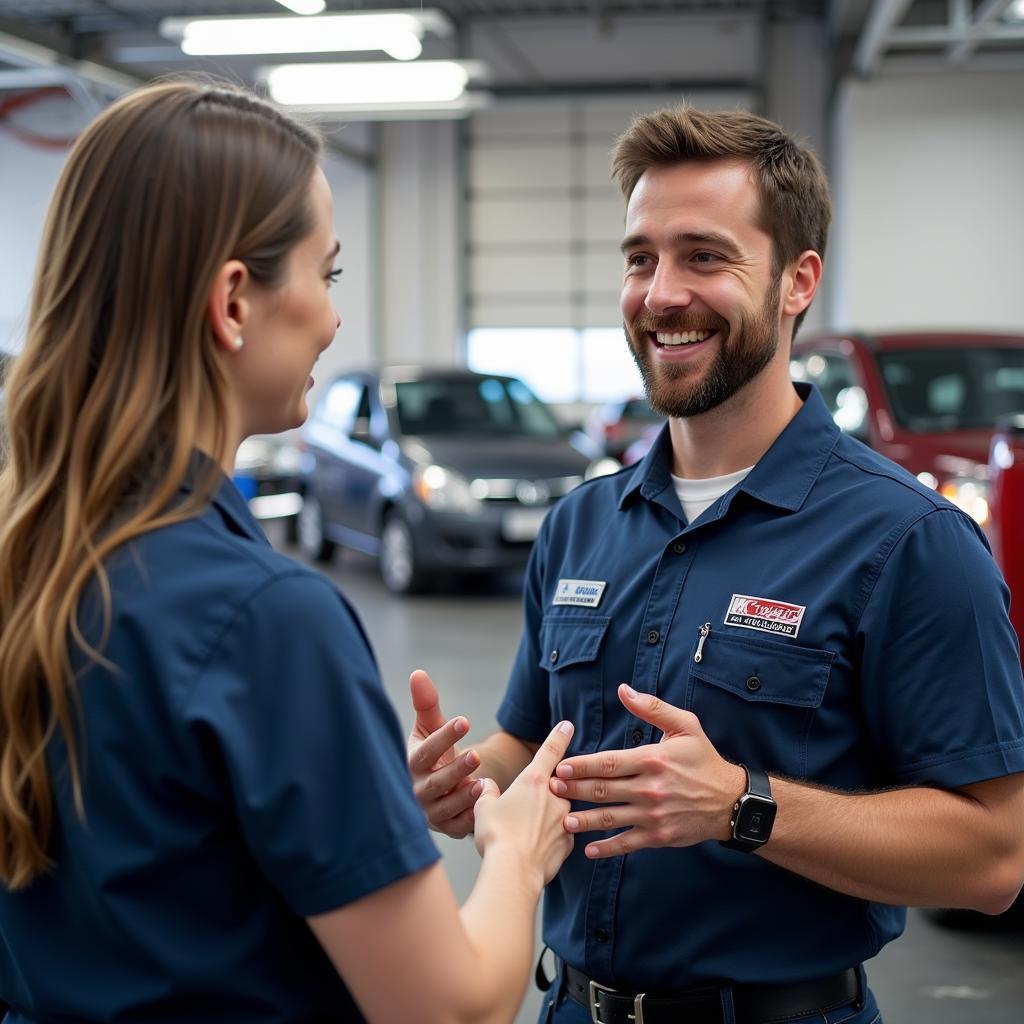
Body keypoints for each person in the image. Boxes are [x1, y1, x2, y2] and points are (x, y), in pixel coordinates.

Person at [407, 106, 1024, 1024]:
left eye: (705, 256)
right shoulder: (581, 524)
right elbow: (533, 741)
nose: (660, 294)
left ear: (795, 282)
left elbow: (994, 858)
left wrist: (743, 803)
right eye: (640, 258)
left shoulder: (910, 541)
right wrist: (468, 782)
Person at [0, 79, 576, 1024]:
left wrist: (356, 785)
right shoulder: (263, 618)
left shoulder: (38, 565)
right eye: (327, 273)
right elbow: (450, 1007)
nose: (334, 316)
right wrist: (517, 848)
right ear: (234, 302)